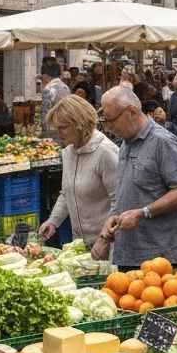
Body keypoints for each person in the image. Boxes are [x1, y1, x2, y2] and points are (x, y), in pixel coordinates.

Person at [97, 86, 177, 270]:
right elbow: (127, 190)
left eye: (112, 121)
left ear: (132, 112)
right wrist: (112, 219)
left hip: (158, 260)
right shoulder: (126, 143)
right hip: (128, 255)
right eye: (106, 122)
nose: (109, 128)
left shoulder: (163, 141)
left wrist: (143, 213)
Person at [37, 95, 118, 251]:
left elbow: (120, 201)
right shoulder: (68, 152)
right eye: (57, 128)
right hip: (80, 245)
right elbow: (67, 193)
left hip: (107, 246)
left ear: (79, 124)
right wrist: (53, 222)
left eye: (63, 127)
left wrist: (104, 240)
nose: (59, 133)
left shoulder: (106, 152)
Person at [41, 62, 70, 140]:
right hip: (65, 125)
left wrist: (44, 131)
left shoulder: (48, 89)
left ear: (46, 76)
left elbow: (45, 113)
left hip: (52, 128)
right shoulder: (66, 87)